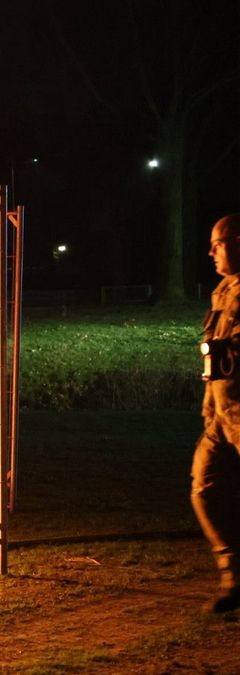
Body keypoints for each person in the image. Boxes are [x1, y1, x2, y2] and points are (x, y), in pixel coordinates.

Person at [195, 212, 240, 613]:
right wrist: (210, 405)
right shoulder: (223, 292)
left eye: (219, 243)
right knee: (204, 488)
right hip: (224, 416)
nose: (211, 251)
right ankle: (232, 574)